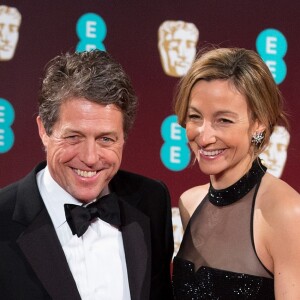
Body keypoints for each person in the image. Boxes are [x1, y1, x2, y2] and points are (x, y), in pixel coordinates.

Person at [0, 50, 174, 300]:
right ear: (43, 130)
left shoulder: (151, 201)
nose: (90, 158)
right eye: (74, 137)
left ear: (124, 138)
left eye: (106, 139)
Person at [171, 47, 300, 299]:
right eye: (195, 117)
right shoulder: (189, 203)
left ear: (259, 123)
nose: (205, 136)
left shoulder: (287, 213)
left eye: (224, 120)